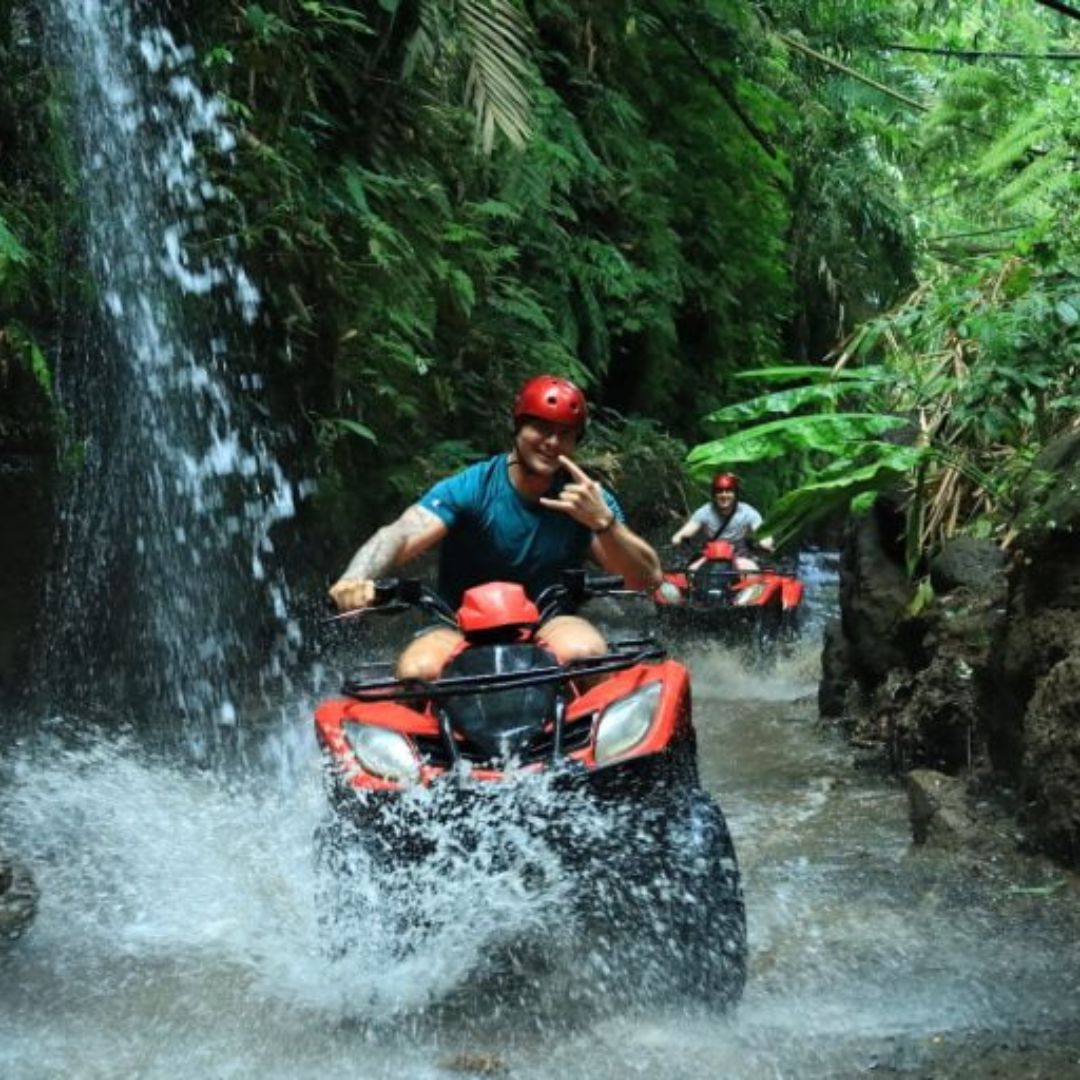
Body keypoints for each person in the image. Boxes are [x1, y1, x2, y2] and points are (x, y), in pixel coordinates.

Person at [329, 374, 663, 680]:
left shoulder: (587, 499)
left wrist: (604, 524)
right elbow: (401, 532)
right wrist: (357, 577)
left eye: (565, 434)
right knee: (418, 671)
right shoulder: (474, 487)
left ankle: (594, 742)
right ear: (517, 429)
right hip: (457, 624)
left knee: (584, 654)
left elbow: (646, 579)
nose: (552, 442)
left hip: (550, 621)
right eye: (541, 428)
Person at [670, 471, 773, 571]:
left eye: (728, 491)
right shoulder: (705, 512)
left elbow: (763, 532)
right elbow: (689, 528)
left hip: (739, 558)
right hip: (710, 558)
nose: (724, 495)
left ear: (735, 494)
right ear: (714, 494)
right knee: (691, 573)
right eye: (720, 491)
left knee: (753, 572)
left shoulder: (747, 513)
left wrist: (765, 542)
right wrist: (678, 537)